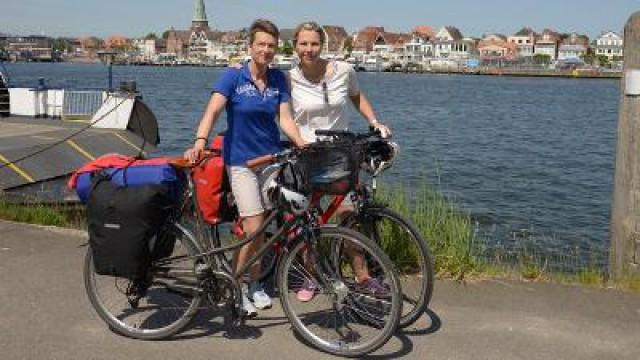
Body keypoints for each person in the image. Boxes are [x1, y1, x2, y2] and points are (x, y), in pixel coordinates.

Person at [185, 19, 305, 316]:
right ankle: (235, 286)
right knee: (252, 227)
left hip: (269, 160)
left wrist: (303, 144)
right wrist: (200, 141)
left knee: (261, 229)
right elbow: (212, 110)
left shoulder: (278, 80)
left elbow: (285, 120)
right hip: (240, 162)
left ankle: (254, 285)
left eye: (271, 46)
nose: (266, 50)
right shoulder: (233, 77)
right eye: (261, 44)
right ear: (250, 47)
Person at [288, 21, 392, 301]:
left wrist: (374, 121)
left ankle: (363, 277)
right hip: (306, 154)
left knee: (349, 216)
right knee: (308, 218)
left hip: (340, 154)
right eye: (303, 44)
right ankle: (308, 275)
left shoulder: (344, 70)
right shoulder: (288, 78)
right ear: (294, 46)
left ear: (322, 44)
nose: (309, 49)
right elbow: (281, 114)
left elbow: (358, 98)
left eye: (314, 43)